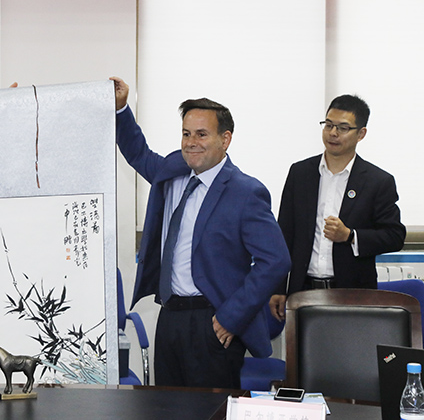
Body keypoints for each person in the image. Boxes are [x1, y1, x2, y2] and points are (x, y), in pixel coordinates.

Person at [111, 77, 290, 389]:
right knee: (166, 407)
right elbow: (138, 153)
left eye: (202, 134)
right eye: (186, 133)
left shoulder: (245, 192)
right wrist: (121, 108)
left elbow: (276, 261)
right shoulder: (172, 172)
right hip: (169, 319)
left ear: (225, 139)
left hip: (213, 322)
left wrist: (231, 317)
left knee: (209, 410)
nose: (191, 142)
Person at [269, 94, 405, 321]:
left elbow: (394, 236)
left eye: (343, 128)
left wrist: (350, 236)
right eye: (328, 125)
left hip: (354, 293)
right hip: (303, 291)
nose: (333, 133)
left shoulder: (378, 181)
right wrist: (278, 287)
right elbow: (284, 234)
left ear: (361, 134)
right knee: (302, 346)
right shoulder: (300, 173)